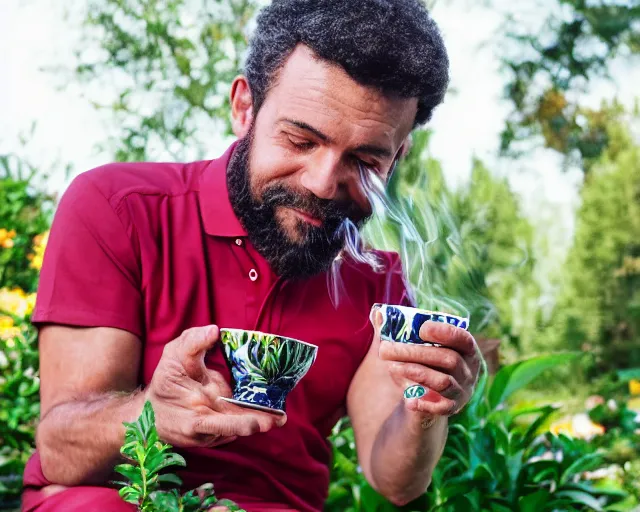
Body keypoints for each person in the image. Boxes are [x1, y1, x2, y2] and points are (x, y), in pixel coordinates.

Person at [22, 0, 481, 511]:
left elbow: (395, 480)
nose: (323, 183)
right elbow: (61, 452)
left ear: (397, 158)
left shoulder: (380, 285)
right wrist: (152, 412)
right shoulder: (118, 210)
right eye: (301, 139)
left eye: (365, 159)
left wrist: (427, 407)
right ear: (245, 107)